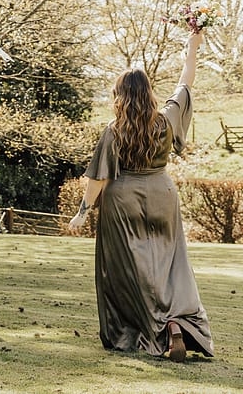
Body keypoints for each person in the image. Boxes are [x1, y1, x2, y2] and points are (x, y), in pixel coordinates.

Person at [69, 31, 214, 362]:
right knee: (170, 265)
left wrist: (82, 212)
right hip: (163, 194)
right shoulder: (165, 120)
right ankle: (175, 323)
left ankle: (147, 331)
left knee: (127, 272)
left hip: (123, 201)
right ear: (148, 92)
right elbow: (185, 84)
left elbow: (99, 176)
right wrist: (192, 47)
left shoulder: (114, 129)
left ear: (120, 95)